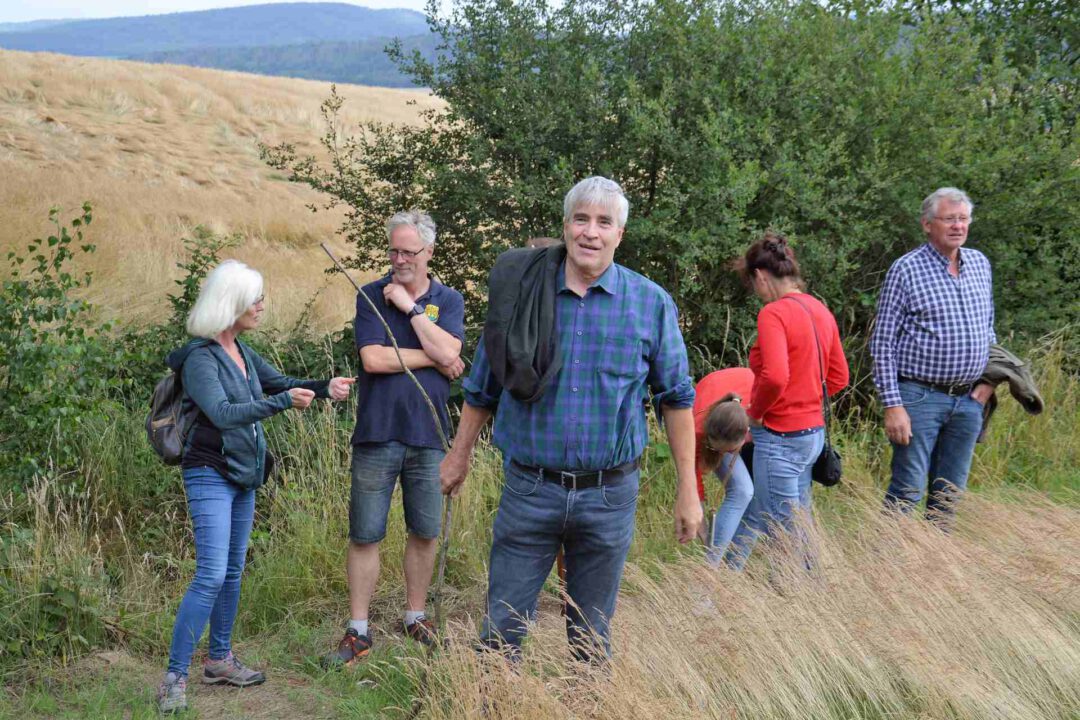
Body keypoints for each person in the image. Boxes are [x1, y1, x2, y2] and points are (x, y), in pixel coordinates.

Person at [440, 176, 701, 662]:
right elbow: (483, 386)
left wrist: (689, 488)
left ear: (620, 235)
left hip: (609, 495)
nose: (591, 232)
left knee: (591, 635)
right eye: (581, 219)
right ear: (565, 226)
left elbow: (677, 398)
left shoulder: (650, 303)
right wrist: (459, 455)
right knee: (501, 630)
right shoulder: (524, 293)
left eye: (604, 223)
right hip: (530, 489)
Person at [157, 260, 354, 714]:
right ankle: (174, 678)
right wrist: (283, 403)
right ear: (232, 303)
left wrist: (324, 387)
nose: (262, 305)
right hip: (209, 471)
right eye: (256, 298)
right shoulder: (200, 358)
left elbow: (281, 383)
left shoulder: (241, 350)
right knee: (210, 574)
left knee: (231, 570)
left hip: (244, 473)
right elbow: (223, 412)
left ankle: (220, 660)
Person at [327, 210, 465, 667]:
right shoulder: (370, 295)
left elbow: (452, 351)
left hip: (429, 436)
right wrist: (434, 355)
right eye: (394, 250)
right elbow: (373, 360)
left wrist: (409, 310)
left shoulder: (449, 300)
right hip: (378, 433)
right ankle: (359, 629)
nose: (399, 259)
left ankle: (416, 616)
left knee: (425, 531)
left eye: (409, 251)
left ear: (429, 252)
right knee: (365, 533)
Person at [870, 188, 995, 524]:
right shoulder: (906, 269)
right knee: (907, 490)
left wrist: (987, 385)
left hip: (968, 400)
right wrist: (893, 405)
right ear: (927, 224)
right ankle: (887, 566)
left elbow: (989, 329)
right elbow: (882, 343)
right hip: (918, 397)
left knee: (949, 493)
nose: (958, 226)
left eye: (963, 218)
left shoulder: (980, 264)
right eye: (949, 219)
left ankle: (933, 571)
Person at [728, 233, 849, 568]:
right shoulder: (819, 310)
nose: (757, 294)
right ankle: (812, 598)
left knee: (780, 532)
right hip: (813, 435)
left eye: (754, 286)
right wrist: (805, 401)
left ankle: (795, 605)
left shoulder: (774, 314)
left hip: (780, 437)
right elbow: (839, 377)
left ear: (761, 277)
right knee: (799, 523)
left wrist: (757, 413)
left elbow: (776, 376)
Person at [693, 368, 754, 567]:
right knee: (743, 491)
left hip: (753, 407)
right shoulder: (696, 430)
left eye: (729, 451)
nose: (721, 454)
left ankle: (731, 576)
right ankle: (708, 575)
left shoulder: (756, 413)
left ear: (745, 436)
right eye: (714, 448)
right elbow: (692, 480)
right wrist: (703, 528)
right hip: (711, 409)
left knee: (754, 495)